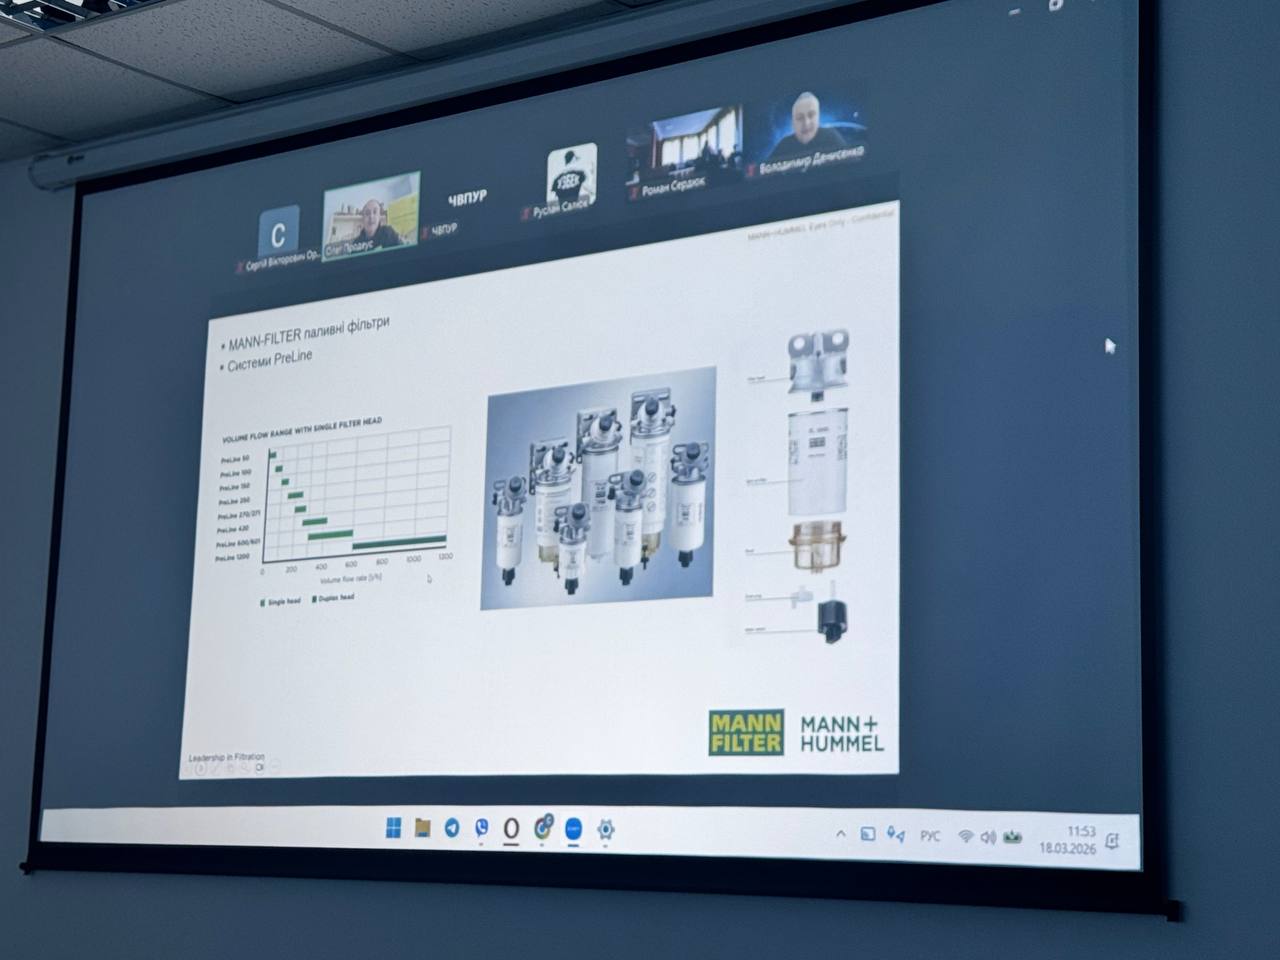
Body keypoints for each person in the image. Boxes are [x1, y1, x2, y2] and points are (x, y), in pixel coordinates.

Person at [767, 92, 847, 161]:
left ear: (818, 118)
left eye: (811, 115)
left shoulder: (831, 136)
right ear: (793, 123)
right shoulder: (784, 145)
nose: (806, 123)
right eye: (799, 118)